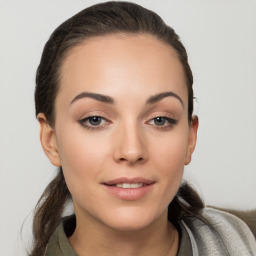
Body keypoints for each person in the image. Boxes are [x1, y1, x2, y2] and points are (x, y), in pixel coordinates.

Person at [31, 1, 256, 255]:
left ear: (190, 138)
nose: (131, 150)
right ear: (51, 141)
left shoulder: (244, 240)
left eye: (160, 120)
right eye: (95, 120)